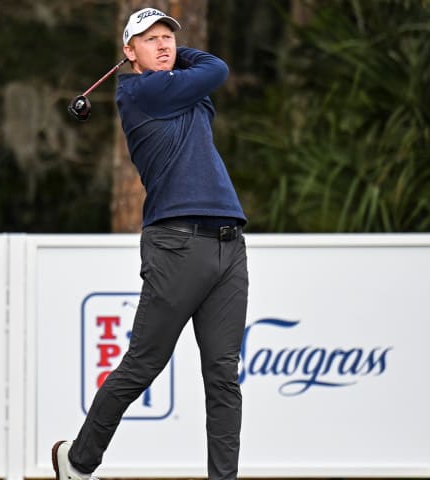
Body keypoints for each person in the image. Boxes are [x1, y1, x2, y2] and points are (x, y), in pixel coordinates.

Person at [52, 7, 248, 480]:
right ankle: (78, 461)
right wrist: (180, 60)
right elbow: (216, 68)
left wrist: (174, 57)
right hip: (177, 245)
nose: (163, 45)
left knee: (224, 378)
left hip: (229, 243)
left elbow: (204, 73)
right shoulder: (141, 91)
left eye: (168, 37)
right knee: (144, 363)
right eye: (149, 39)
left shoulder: (175, 84)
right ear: (128, 53)